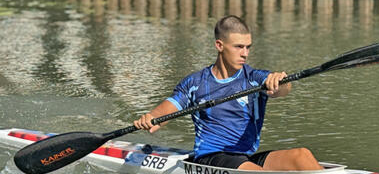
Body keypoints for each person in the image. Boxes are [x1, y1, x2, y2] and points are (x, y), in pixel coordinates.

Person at [133, 15, 323, 171]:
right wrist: (151, 118)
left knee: (302, 155)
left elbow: (282, 90)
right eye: (239, 47)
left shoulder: (255, 78)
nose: (245, 53)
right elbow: (165, 112)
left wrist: (279, 83)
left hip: (244, 157)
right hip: (211, 158)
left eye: (248, 47)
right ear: (219, 45)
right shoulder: (195, 83)